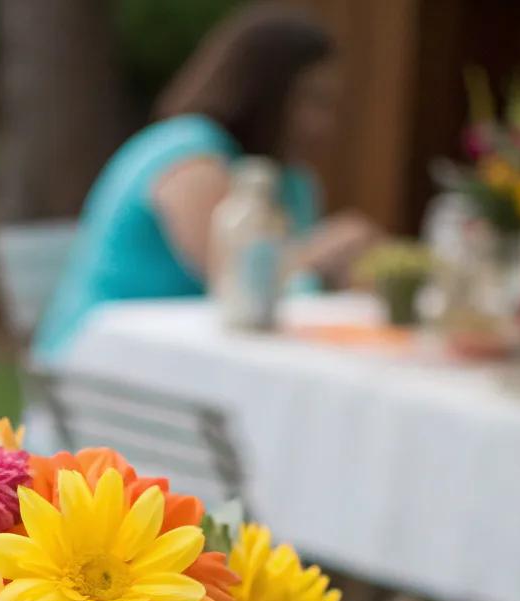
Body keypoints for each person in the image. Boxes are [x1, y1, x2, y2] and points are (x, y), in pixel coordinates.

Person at [34, 2, 378, 357]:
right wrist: (321, 253)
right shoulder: (190, 156)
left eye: (331, 104)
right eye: (312, 100)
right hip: (104, 368)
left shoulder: (294, 182)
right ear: (264, 90)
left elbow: (294, 300)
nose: (326, 123)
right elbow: (235, 285)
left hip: (198, 369)